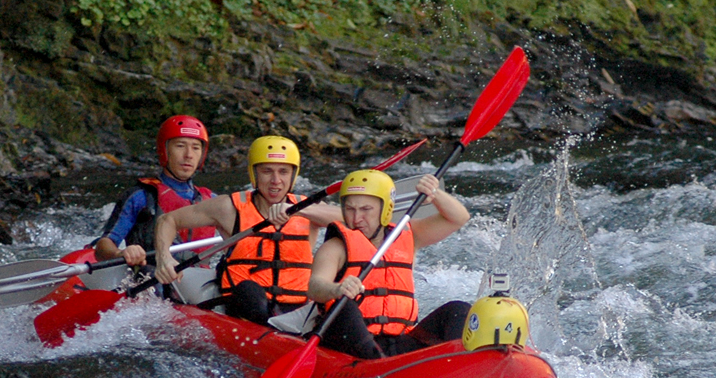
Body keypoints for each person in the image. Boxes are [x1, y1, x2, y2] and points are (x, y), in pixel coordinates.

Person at [153, 135, 338, 324]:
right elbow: (167, 220)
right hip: (244, 306)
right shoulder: (229, 208)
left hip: (295, 313)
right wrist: (164, 258)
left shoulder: (310, 210)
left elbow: (354, 221)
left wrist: (301, 211)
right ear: (254, 174)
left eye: (283, 172)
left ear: (293, 175)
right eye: (267, 171)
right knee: (249, 291)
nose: (276, 180)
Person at [306, 169, 472, 359]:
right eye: (350, 209)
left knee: (458, 310)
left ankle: (457, 366)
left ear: (386, 210)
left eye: (366, 210)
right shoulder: (335, 247)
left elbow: (459, 218)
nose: (356, 218)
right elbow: (314, 286)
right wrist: (336, 289)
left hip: (400, 341)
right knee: (343, 305)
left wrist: (435, 194)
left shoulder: (410, 235)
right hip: (352, 344)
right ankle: (378, 366)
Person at [94, 115, 216, 267]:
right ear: (164, 150)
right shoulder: (141, 196)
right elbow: (103, 247)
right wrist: (120, 253)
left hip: (197, 283)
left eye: (196, 148)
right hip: (150, 278)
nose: (189, 155)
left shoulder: (213, 202)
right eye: (180, 146)